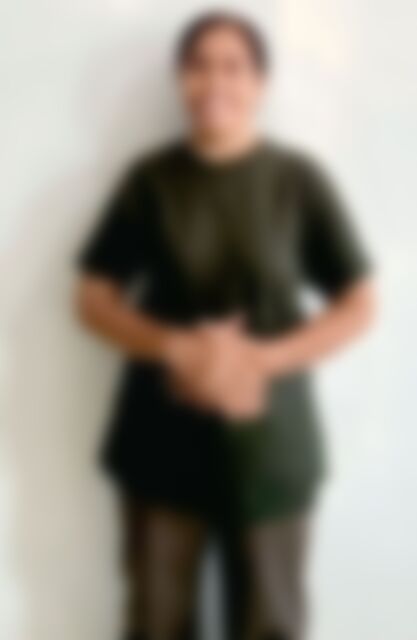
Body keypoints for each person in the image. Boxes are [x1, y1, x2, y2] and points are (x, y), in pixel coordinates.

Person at [77, 11, 375, 640]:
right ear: (180, 79)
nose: (215, 82)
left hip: (271, 451)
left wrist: (260, 361)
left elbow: (360, 302)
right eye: (199, 66)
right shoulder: (150, 180)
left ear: (260, 83)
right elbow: (93, 297)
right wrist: (174, 346)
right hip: (159, 446)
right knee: (155, 623)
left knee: (269, 624)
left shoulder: (297, 180)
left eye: (234, 67)